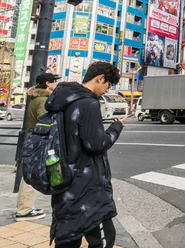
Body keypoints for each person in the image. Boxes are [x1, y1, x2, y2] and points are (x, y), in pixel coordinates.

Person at [44, 61, 126, 248]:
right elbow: (96, 145)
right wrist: (116, 127)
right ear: (100, 78)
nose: (107, 89)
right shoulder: (88, 103)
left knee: (68, 239)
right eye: (108, 84)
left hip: (63, 180)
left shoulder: (62, 100)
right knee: (103, 240)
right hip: (86, 187)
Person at [15, 73, 61, 221]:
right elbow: (45, 122)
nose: (56, 83)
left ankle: (25, 208)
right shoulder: (43, 100)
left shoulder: (36, 98)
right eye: (54, 81)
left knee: (31, 173)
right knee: (33, 175)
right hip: (39, 142)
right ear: (48, 83)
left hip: (33, 140)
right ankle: (24, 210)